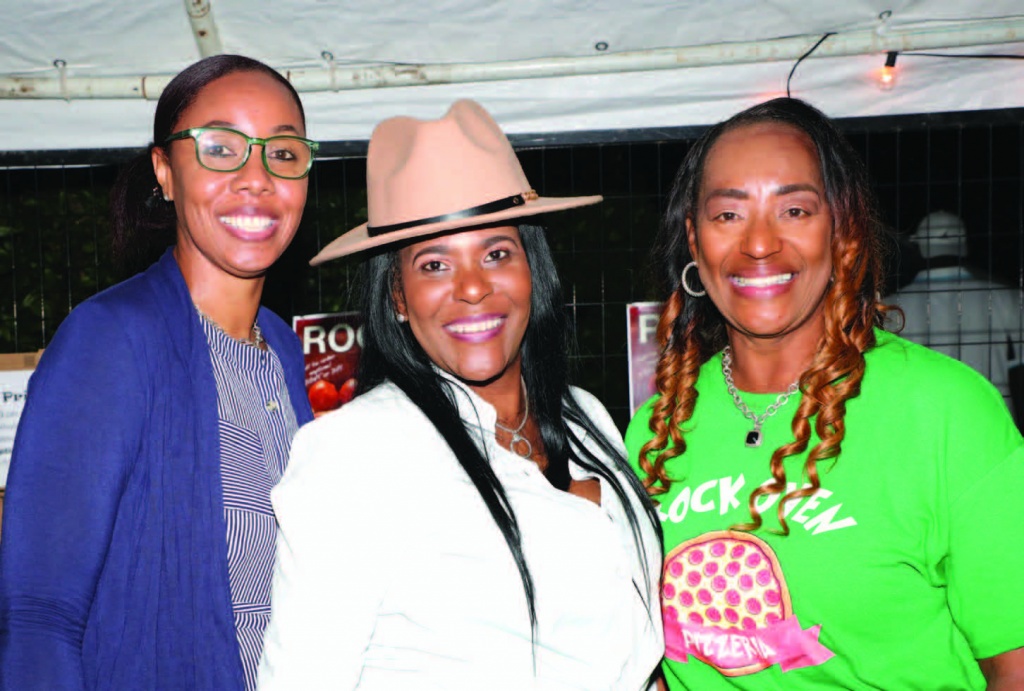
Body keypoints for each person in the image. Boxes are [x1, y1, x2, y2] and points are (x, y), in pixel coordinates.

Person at [258, 99, 663, 690]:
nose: (473, 287)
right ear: (397, 297)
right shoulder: (354, 454)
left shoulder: (587, 417)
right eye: (434, 265)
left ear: (533, 269)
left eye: (496, 253)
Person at [625, 97, 1024, 689]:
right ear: (694, 238)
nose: (760, 244)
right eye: (728, 215)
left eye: (794, 210)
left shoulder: (947, 414)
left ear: (842, 230)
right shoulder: (657, 429)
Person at [0, 54, 315, 691]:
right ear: (165, 172)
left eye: (283, 153)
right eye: (220, 147)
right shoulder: (112, 337)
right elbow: (39, 616)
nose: (256, 178)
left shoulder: (284, 351)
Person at [888, 210, 1024, 418]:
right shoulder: (1007, 297)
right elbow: (1018, 372)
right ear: (964, 244)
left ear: (920, 246)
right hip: (991, 421)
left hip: (924, 421)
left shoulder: (891, 307)